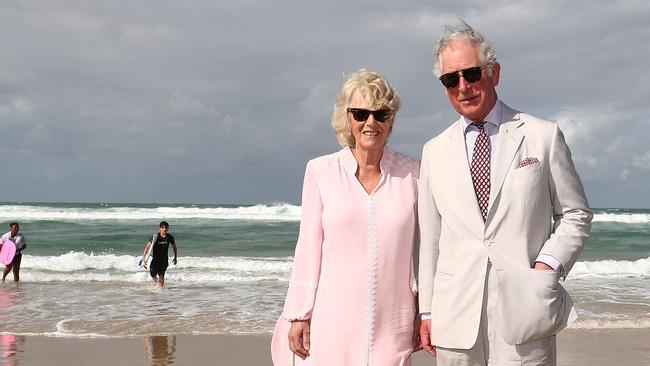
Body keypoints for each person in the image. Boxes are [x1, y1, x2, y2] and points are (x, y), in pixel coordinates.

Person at [417, 21, 593, 365]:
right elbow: (431, 238)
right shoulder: (433, 150)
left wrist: (548, 263)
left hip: (525, 308)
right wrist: (426, 310)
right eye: (451, 80)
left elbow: (576, 213)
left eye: (472, 73)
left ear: (494, 73)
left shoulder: (542, 136)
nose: (463, 87)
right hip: (455, 315)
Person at [271, 68, 421, 365]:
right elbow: (308, 248)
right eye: (360, 113)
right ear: (347, 117)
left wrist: (423, 311)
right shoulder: (320, 171)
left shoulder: (413, 174)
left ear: (391, 120)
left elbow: (422, 249)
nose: (370, 122)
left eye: (381, 114)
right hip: (331, 320)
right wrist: (299, 314)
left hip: (393, 320)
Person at [142, 221, 178, 287]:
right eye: (163, 227)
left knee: (161, 275)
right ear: (160, 228)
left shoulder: (170, 237)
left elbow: (174, 247)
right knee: (152, 274)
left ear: (168, 229)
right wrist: (144, 258)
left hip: (164, 260)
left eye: (166, 228)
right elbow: (147, 248)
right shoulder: (155, 236)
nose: (164, 229)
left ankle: (161, 290)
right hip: (155, 259)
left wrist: (175, 257)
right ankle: (157, 283)